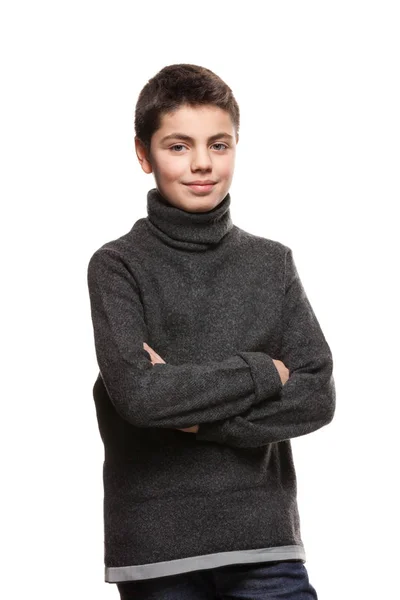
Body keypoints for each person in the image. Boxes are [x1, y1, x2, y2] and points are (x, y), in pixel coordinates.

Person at [87, 63, 336, 600]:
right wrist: (263, 371)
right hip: (157, 551)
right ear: (142, 154)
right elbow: (138, 396)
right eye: (178, 146)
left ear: (236, 147)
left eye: (219, 145)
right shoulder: (117, 266)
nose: (202, 163)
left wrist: (198, 424)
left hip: (264, 542)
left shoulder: (272, 263)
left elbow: (316, 395)